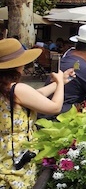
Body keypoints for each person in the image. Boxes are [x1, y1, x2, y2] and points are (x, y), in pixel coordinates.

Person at [0, 38, 73, 187]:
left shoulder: (7, 88)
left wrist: (60, 82)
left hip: (4, 150)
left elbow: (34, 95)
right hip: (17, 153)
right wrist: (59, 83)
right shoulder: (17, 89)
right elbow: (55, 107)